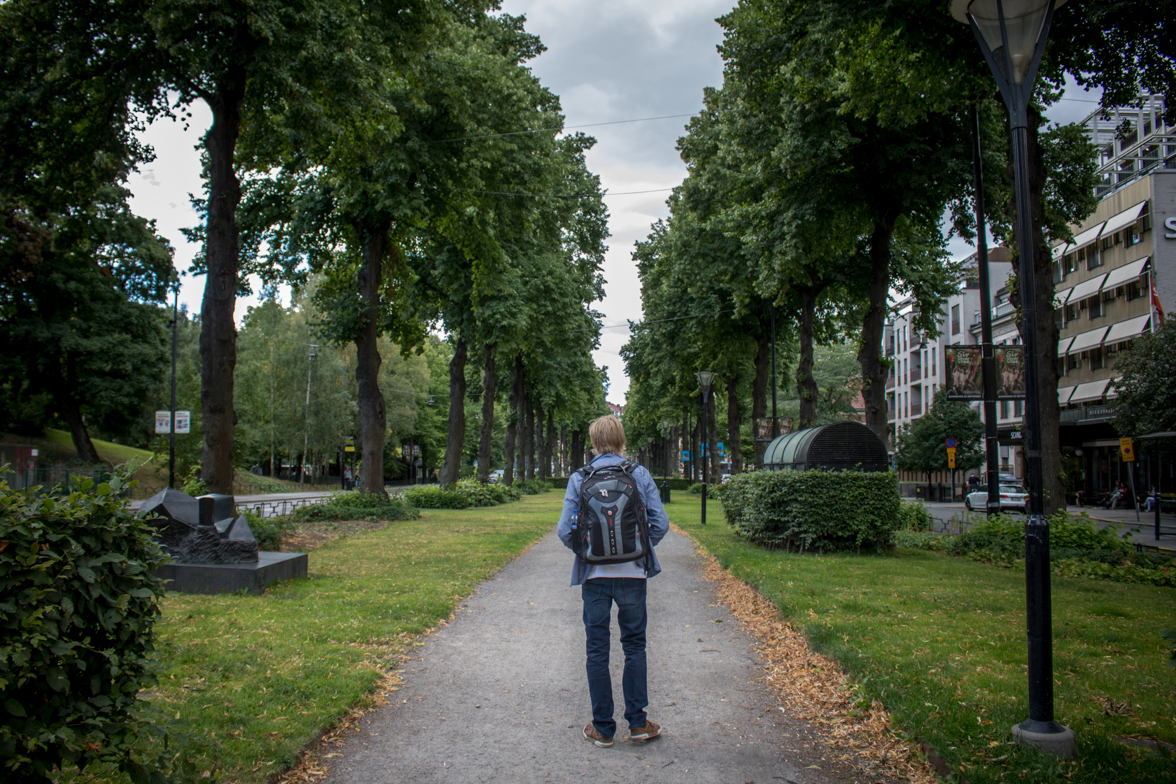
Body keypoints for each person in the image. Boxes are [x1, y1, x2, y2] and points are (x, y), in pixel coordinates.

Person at [557, 414, 668, 748]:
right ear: (622, 439)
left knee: (596, 649)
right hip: (633, 575)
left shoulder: (580, 477)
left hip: (594, 577)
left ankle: (603, 728)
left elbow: (565, 531)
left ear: (593, 442)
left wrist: (590, 551)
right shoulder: (639, 474)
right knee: (634, 646)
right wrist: (636, 549)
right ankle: (637, 724)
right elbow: (659, 524)